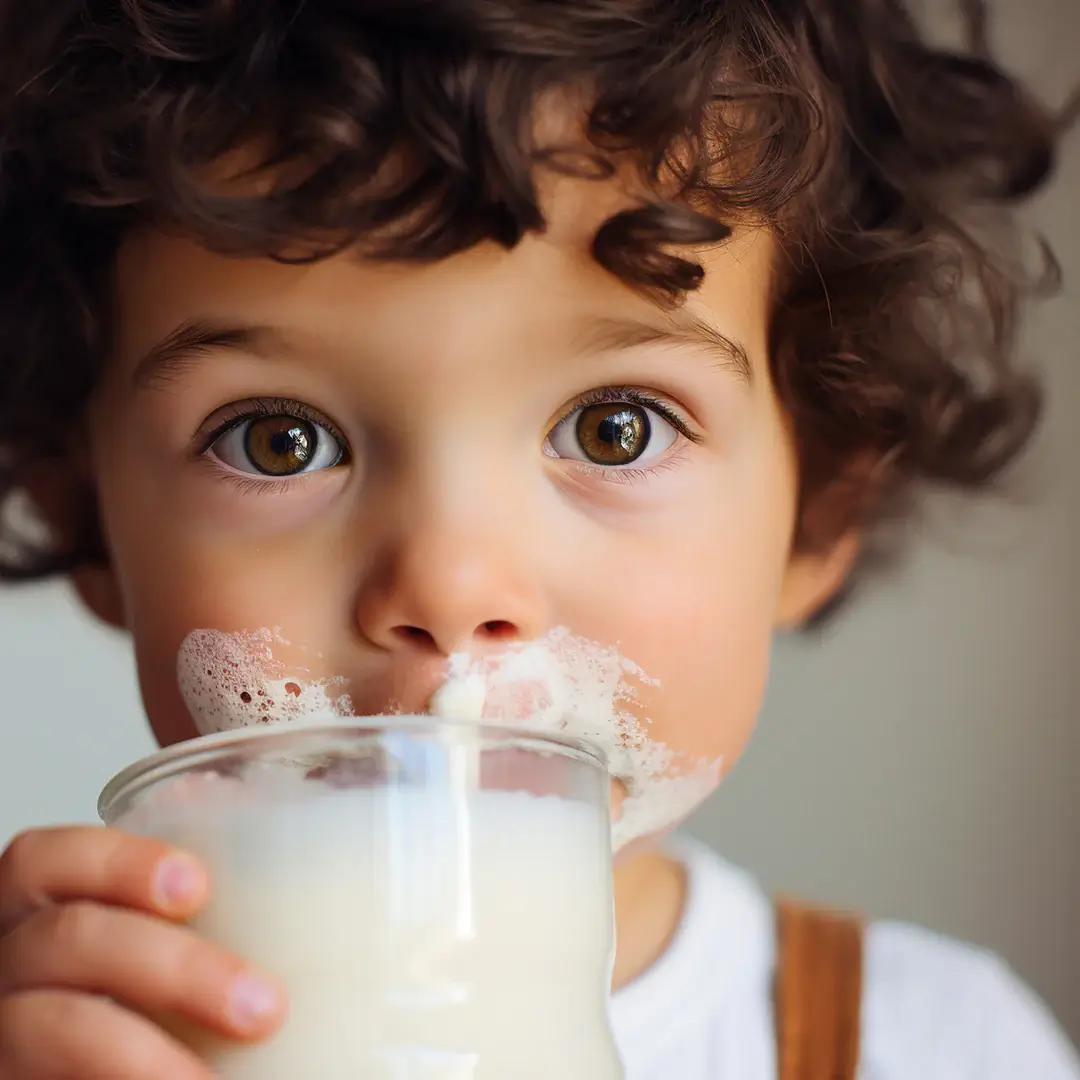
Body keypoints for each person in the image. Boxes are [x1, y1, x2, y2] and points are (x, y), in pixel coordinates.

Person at [0, 0, 1077, 1077]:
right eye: (279, 441)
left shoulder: (941, 1045)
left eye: (616, 431)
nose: (451, 583)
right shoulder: (71, 1040)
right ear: (86, 518)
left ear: (818, 516)